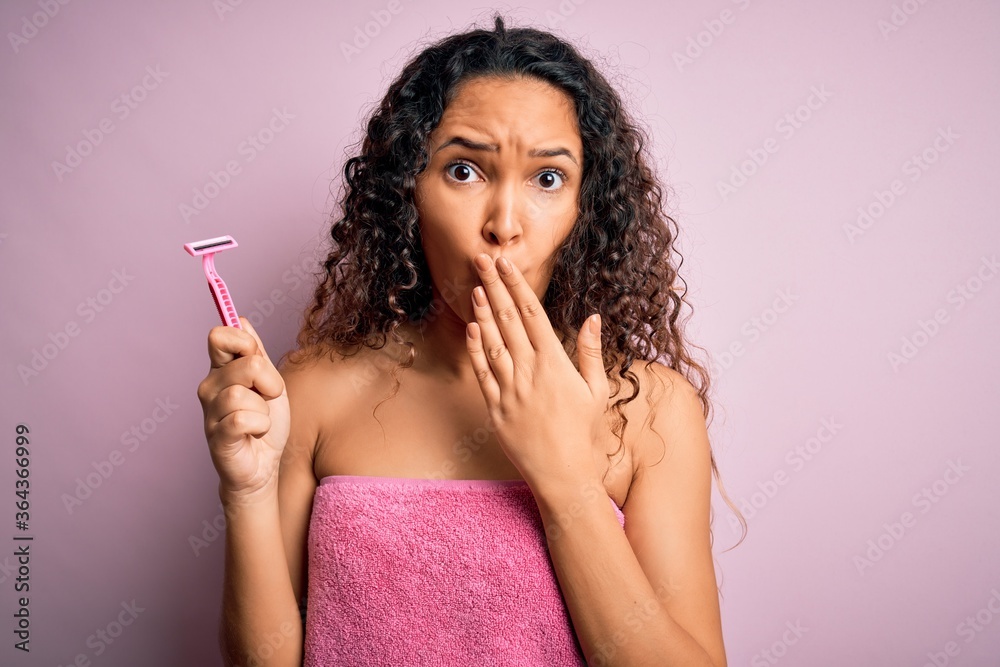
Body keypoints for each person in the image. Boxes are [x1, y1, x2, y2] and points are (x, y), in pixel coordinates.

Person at [197, 12, 744, 667]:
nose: (504, 224)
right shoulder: (313, 390)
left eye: (547, 178)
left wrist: (566, 480)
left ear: (582, 208)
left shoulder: (652, 410)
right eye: (464, 171)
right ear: (407, 193)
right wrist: (248, 493)